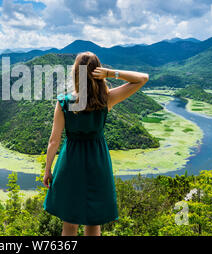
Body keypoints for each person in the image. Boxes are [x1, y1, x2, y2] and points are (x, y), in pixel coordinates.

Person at [42, 51, 149, 236]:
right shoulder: (105, 100)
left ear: (75, 74)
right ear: (97, 72)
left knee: (70, 223)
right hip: (98, 162)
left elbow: (54, 140)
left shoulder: (64, 103)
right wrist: (109, 73)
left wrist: (48, 170)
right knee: (94, 222)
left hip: (70, 162)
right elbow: (142, 78)